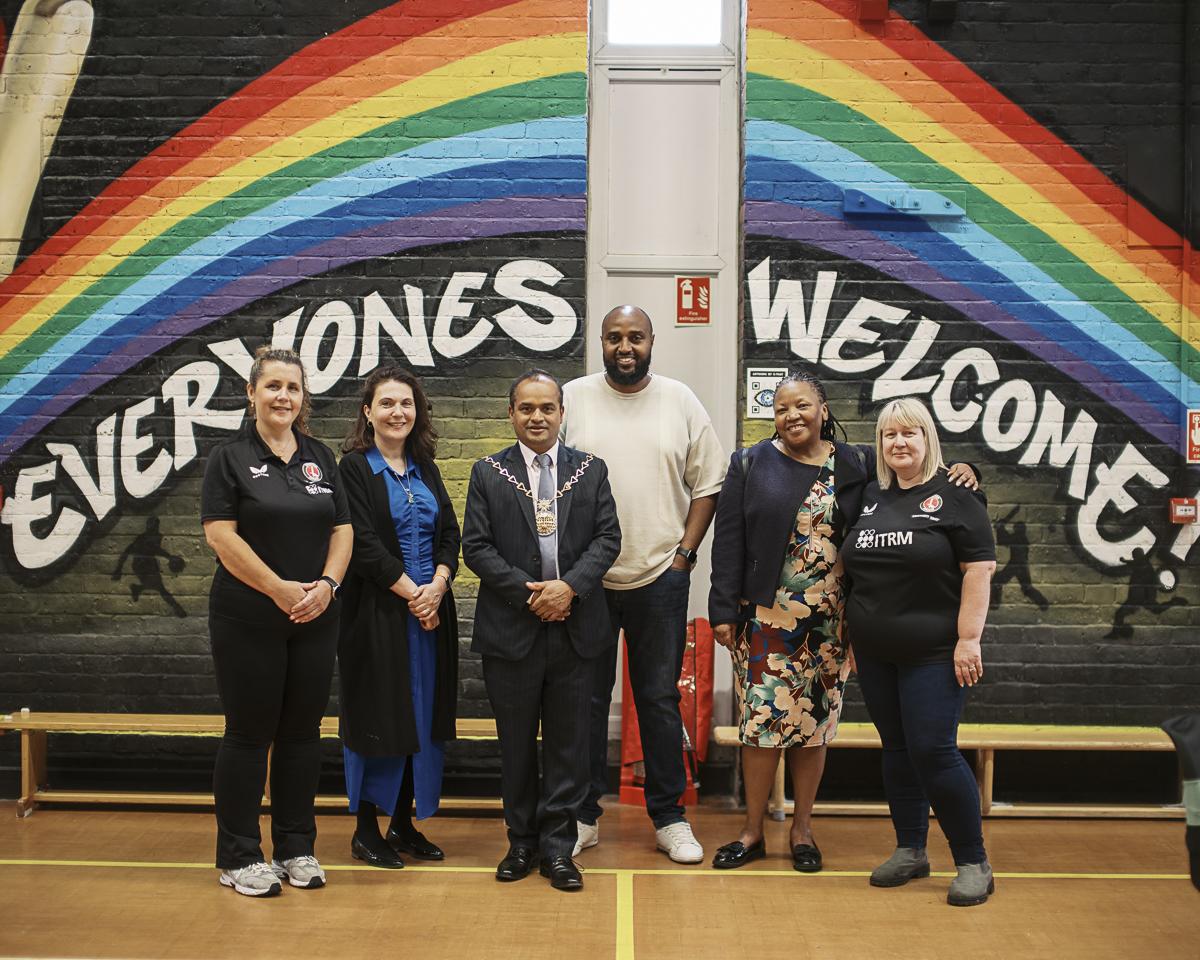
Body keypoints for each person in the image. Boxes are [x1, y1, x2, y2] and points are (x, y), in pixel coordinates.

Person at [707, 373, 978, 871]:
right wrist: (721, 609)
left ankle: (803, 831)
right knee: (761, 727)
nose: (792, 416)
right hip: (767, 616)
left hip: (834, 620)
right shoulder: (750, 461)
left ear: (823, 409)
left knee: (813, 725)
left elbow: (912, 473)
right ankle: (751, 831)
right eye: (782, 408)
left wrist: (963, 467)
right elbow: (729, 538)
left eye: (803, 406)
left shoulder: (855, 462)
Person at [561, 305, 725, 864]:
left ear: (653, 341)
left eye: (635, 336)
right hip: (588, 579)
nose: (624, 346)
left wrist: (684, 555)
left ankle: (669, 817)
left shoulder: (680, 400)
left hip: (661, 575)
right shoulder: (574, 398)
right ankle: (584, 814)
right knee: (584, 701)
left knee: (657, 699)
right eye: (613, 337)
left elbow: (709, 484)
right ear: (599, 342)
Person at [200, 347, 352, 897]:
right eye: (273, 387)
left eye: (292, 387)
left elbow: (342, 529)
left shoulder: (319, 457)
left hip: (314, 615)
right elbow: (221, 535)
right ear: (252, 394)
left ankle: (295, 848)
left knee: (302, 736)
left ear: (302, 396)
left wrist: (328, 587)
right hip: (249, 617)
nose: (283, 396)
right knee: (248, 734)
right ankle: (239, 856)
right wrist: (279, 589)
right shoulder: (230, 457)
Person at [462, 369, 621, 892]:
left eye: (546, 408)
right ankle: (520, 843)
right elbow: (477, 547)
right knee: (515, 745)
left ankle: (558, 849)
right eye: (526, 408)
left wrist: (568, 589)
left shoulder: (590, 470)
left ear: (561, 413)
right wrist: (532, 594)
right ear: (511, 414)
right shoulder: (487, 472)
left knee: (569, 746)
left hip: (577, 630)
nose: (537, 417)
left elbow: (607, 539)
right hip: (512, 630)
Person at [840, 396, 997, 907]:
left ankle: (973, 861)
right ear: (880, 445)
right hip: (876, 652)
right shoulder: (870, 496)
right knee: (898, 751)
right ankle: (911, 849)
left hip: (935, 652)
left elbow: (980, 569)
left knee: (934, 750)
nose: (899, 442)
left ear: (928, 439)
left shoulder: (956, 493)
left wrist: (968, 639)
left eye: (910, 433)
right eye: (889, 435)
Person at [336, 366, 460, 869]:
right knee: (379, 715)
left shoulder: (425, 466)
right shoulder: (353, 468)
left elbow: (450, 533)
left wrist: (439, 586)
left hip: (430, 616)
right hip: (378, 615)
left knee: (422, 718)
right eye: (386, 403)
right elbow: (361, 544)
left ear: (418, 411)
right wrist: (415, 594)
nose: (397, 412)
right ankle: (366, 830)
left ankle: (404, 824)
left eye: (406, 403)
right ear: (368, 412)